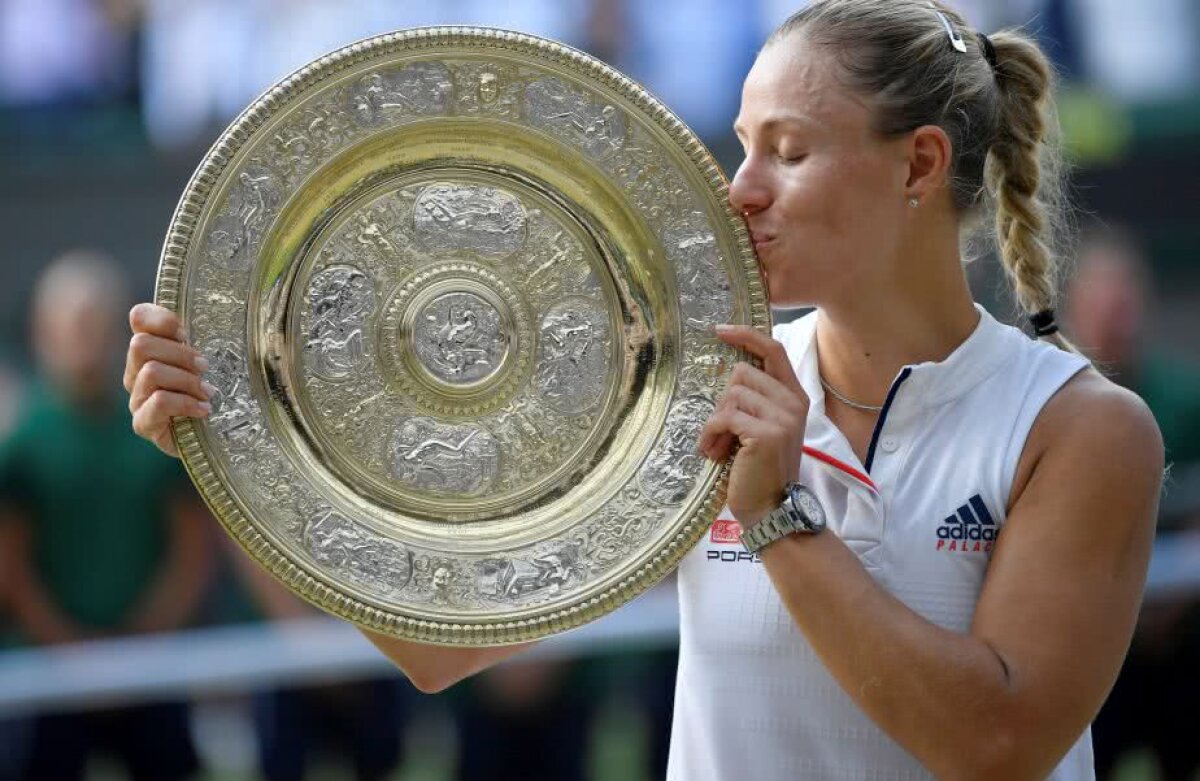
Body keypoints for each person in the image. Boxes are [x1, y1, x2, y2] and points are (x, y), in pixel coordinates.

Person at [123, 1, 1163, 778]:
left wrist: (774, 516)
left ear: (918, 166)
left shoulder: (1080, 429)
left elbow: (996, 741)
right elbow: (443, 649)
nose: (739, 186)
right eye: (744, 145)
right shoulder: (701, 380)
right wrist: (236, 446)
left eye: (788, 152)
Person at [1, 250, 212, 781]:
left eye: (96, 325)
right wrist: (72, 653)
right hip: (48, 672)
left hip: (150, 665)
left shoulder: (159, 432)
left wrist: (140, 644)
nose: (84, 340)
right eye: (71, 326)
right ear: (41, 332)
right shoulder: (23, 444)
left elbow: (192, 550)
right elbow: (11, 565)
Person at [1064, 224, 1200, 781]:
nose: (1115, 314)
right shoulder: (1053, 395)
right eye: (1103, 298)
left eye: (1125, 299)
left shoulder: (1182, 394)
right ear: (1076, 304)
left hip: (1179, 623)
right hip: (1085, 629)